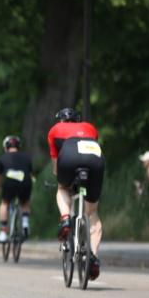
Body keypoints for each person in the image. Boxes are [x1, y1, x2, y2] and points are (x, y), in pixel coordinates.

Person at [48, 107, 105, 280]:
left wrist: (61, 179)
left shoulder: (54, 130)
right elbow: (89, 149)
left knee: (62, 187)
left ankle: (65, 218)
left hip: (69, 155)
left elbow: (56, 166)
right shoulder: (90, 127)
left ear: (61, 120)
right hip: (95, 160)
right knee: (93, 213)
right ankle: (93, 258)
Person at [0, 135, 33, 243]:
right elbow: (31, 174)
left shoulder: (2, 157)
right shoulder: (27, 157)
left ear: (6, 147)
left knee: (4, 203)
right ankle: (25, 223)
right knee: (25, 202)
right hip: (25, 181)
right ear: (19, 146)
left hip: (10, 182)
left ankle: (3, 233)